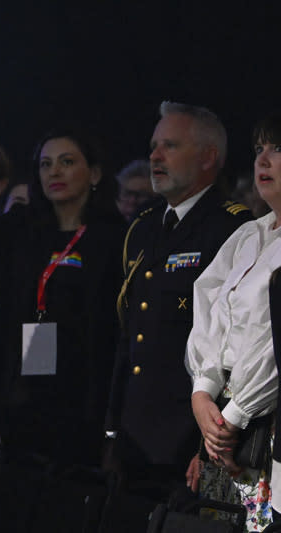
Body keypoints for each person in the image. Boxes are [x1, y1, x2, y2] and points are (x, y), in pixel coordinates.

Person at [105, 102, 253, 528]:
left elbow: (236, 346)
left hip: (190, 441)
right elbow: (129, 335)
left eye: (170, 145)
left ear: (209, 156)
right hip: (136, 438)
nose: (155, 156)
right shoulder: (145, 226)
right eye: (154, 146)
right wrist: (113, 429)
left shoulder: (232, 229)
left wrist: (212, 445)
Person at [0, 127, 125, 530]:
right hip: (22, 391)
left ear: (94, 174)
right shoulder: (22, 229)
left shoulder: (114, 237)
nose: (53, 171)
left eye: (67, 161)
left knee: (65, 509)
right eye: (45, 163)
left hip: (81, 399)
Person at [184, 113, 281, 531]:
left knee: (260, 525)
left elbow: (276, 344)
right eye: (260, 149)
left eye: (278, 149)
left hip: (264, 429)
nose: (264, 160)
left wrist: (233, 419)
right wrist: (203, 392)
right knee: (220, 524)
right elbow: (209, 312)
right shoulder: (249, 235)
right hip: (224, 425)